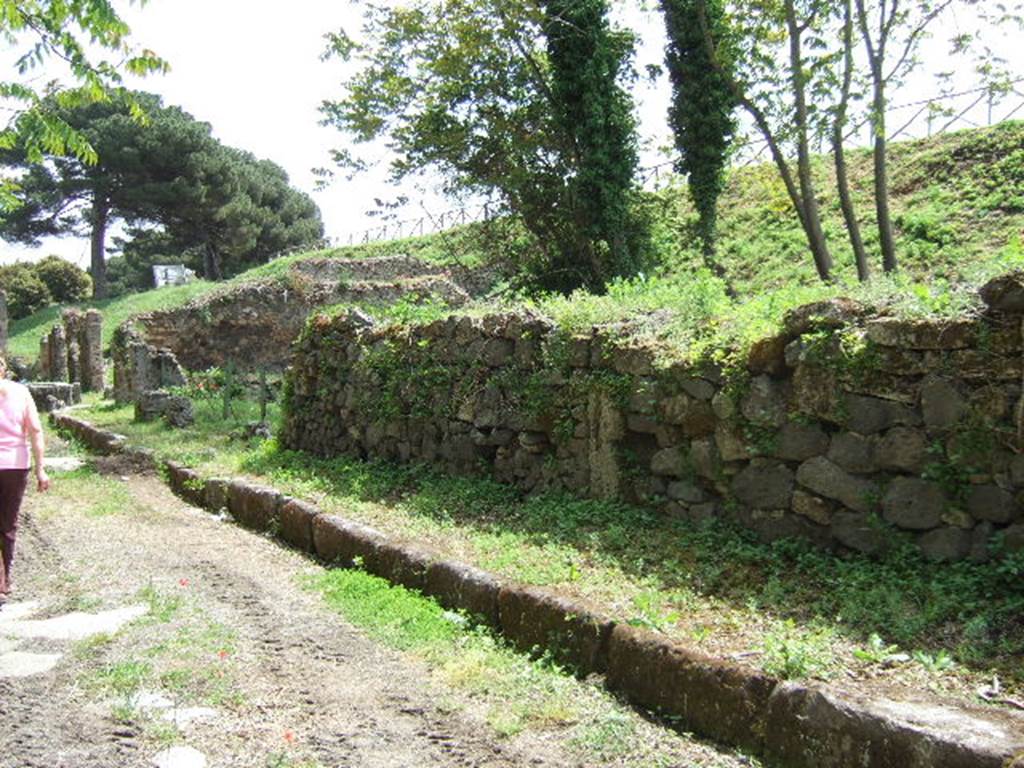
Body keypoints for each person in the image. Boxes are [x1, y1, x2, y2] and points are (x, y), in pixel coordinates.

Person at [0, 354, 49, 603]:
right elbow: (35, 430)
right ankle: (5, 579)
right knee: (8, 524)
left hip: (14, 465)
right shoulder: (21, 392)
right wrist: (41, 469)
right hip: (16, 465)